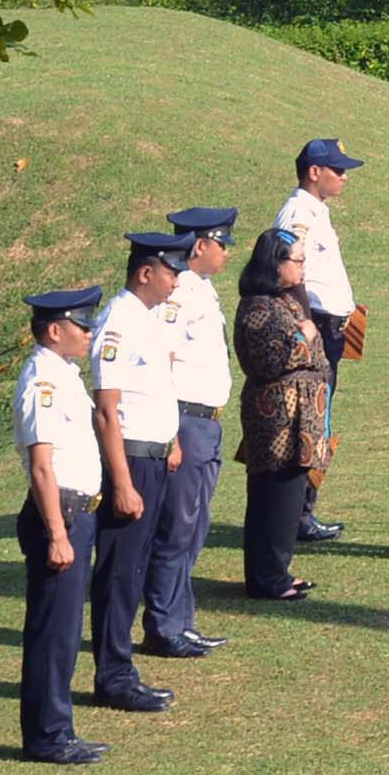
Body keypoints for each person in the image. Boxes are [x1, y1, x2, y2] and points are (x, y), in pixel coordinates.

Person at [15, 285, 123, 763]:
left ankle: (57, 730)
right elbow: (41, 466)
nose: (89, 331)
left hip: (78, 511)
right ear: (54, 330)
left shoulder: (64, 374)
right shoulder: (43, 380)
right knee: (52, 633)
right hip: (59, 514)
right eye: (81, 324)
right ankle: (47, 736)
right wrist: (57, 533)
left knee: (62, 630)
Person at [87, 235, 186, 684]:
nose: (177, 282)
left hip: (154, 456)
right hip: (130, 460)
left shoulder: (145, 319)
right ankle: (113, 674)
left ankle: (122, 665)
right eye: (171, 273)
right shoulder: (117, 324)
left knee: (136, 566)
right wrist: (123, 484)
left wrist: (172, 442)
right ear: (146, 273)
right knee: (119, 572)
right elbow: (108, 411)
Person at [150, 203, 243, 657]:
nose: (229, 251)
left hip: (206, 421)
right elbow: (163, 363)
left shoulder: (200, 288)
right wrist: (169, 434)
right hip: (185, 421)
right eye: (222, 243)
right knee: (177, 529)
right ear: (200, 245)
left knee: (195, 525)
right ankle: (164, 626)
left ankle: (180, 620)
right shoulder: (180, 293)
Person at [270, 139, 364, 545]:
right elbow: (291, 274)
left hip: (335, 327)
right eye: (336, 169)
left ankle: (303, 510)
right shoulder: (298, 215)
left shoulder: (317, 212)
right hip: (317, 327)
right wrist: (305, 323)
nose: (343, 177)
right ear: (314, 172)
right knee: (311, 420)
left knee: (320, 420)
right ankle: (297, 515)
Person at [232, 233, 331, 601]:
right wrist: (304, 338)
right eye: (297, 261)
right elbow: (269, 362)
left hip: (298, 420)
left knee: (289, 498)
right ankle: (266, 577)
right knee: (272, 498)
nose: (302, 268)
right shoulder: (258, 308)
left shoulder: (284, 301)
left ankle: (278, 571)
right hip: (277, 421)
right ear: (276, 264)